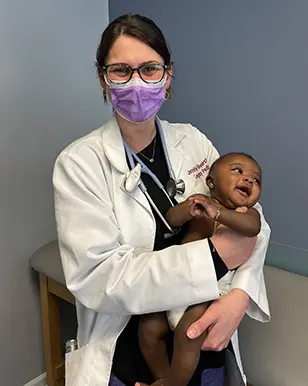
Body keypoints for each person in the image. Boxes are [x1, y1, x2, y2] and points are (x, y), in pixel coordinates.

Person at [53, 14, 271, 386]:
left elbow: (251, 217)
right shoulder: (79, 164)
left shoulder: (192, 141)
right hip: (125, 347)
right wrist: (214, 257)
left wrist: (241, 295)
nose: (136, 82)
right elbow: (99, 279)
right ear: (104, 81)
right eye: (120, 70)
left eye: (150, 69)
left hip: (203, 336)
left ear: (167, 77)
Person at [138, 153, 262, 386]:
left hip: (208, 291)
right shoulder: (200, 203)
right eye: (238, 171)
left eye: (256, 180)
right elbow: (171, 220)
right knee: (149, 327)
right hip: (174, 284)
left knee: (189, 332)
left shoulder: (244, 215)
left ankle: (174, 383)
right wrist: (186, 210)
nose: (248, 180)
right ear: (211, 182)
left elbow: (253, 228)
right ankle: (162, 377)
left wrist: (220, 214)